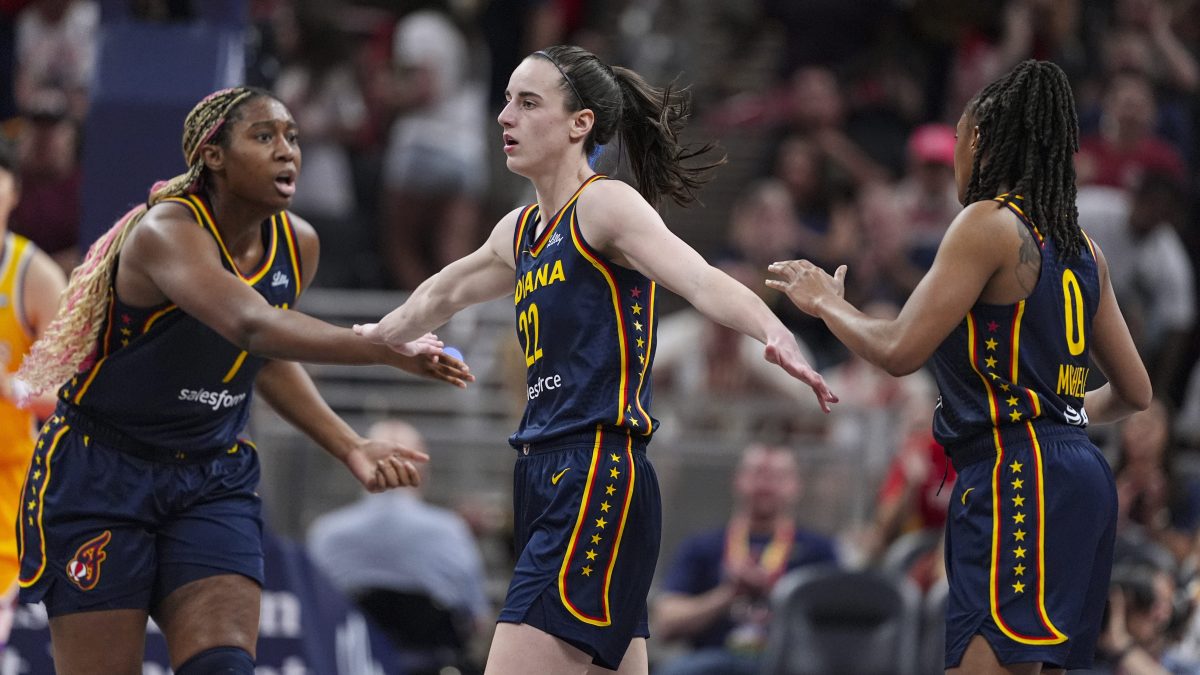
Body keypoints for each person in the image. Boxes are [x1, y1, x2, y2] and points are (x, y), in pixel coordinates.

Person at [355, 44, 837, 675]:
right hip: (546, 474)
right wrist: (378, 336)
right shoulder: (519, 231)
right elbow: (441, 293)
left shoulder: (604, 205)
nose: (506, 116)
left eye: (529, 103)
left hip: (594, 471)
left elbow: (698, 278)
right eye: (507, 100)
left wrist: (772, 329)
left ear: (580, 123)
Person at [13, 86, 472, 675]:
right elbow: (251, 326)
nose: (287, 151)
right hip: (103, 472)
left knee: (224, 666)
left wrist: (350, 444)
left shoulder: (297, 243)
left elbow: (265, 357)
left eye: (292, 138)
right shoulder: (165, 231)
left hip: (211, 476)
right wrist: (381, 345)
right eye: (264, 137)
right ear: (214, 156)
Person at [767, 60, 1153, 674]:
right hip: (1081, 478)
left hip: (1015, 474)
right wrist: (1058, 415)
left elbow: (899, 349)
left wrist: (826, 304)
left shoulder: (988, 223)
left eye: (956, 139)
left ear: (979, 140)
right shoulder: (1085, 249)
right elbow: (1135, 391)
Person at [307, 419, 490, 673]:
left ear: (358, 465)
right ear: (423, 472)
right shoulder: (451, 531)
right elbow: (477, 619)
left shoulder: (326, 534)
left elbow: (312, 613)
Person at [651, 444, 838, 675]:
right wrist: (729, 594)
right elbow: (666, 622)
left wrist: (777, 591)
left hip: (789, 660)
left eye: (778, 476)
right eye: (757, 473)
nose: (765, 484)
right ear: (737, 480)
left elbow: (836, 624)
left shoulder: (819, 550)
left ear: (796, 485)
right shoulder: (702, 546)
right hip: (714, 660)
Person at [0, 139, 66, 648]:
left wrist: (10, 386)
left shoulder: (35, 276)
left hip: (5, 477)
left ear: (14, 190)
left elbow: (69, 391)